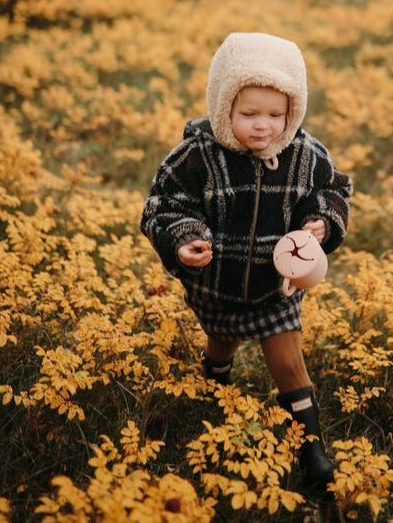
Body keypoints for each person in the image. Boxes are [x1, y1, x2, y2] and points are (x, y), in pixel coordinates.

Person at [141, 32, 352, 493]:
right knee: (221, 340)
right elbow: (164, 206)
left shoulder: (304, 154)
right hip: (217, 283)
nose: (264, 127)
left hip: (275, 287)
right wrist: (183, 241)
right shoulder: (196, 155)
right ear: (223, 106)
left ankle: (311, 448)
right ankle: (216, 374)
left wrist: (321, 221)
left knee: (288, 362)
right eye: (249, 114)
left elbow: (334, 190)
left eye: (276, 114)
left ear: (292, 110)